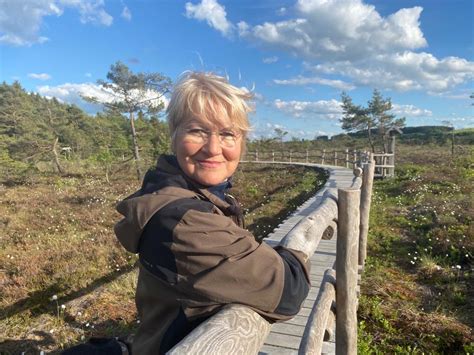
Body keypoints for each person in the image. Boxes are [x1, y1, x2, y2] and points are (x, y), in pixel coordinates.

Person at [114, 72, 312, 354]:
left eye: (227, 134)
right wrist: (290, 257)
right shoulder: (183, 220)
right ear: (174, 135)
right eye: (197, 131)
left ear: (241, 142)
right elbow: (288, 290)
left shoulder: (205, 198)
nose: (213, 148)